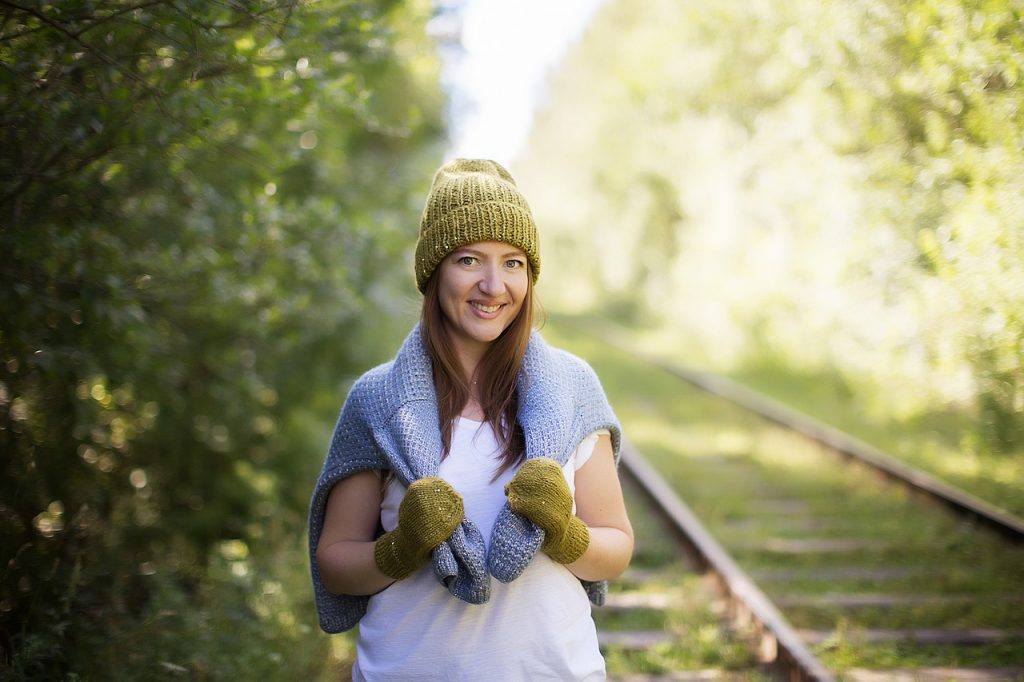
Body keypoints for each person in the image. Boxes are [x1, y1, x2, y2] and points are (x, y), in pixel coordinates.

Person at [308, 158, 633, 681]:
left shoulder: (573, 389)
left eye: (513, 263)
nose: (492, 284)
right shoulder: (376, 400)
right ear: (433, 272)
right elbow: (336, 563)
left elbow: (615, 547)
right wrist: (403, 546)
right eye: (468, 260)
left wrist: (563, 531)